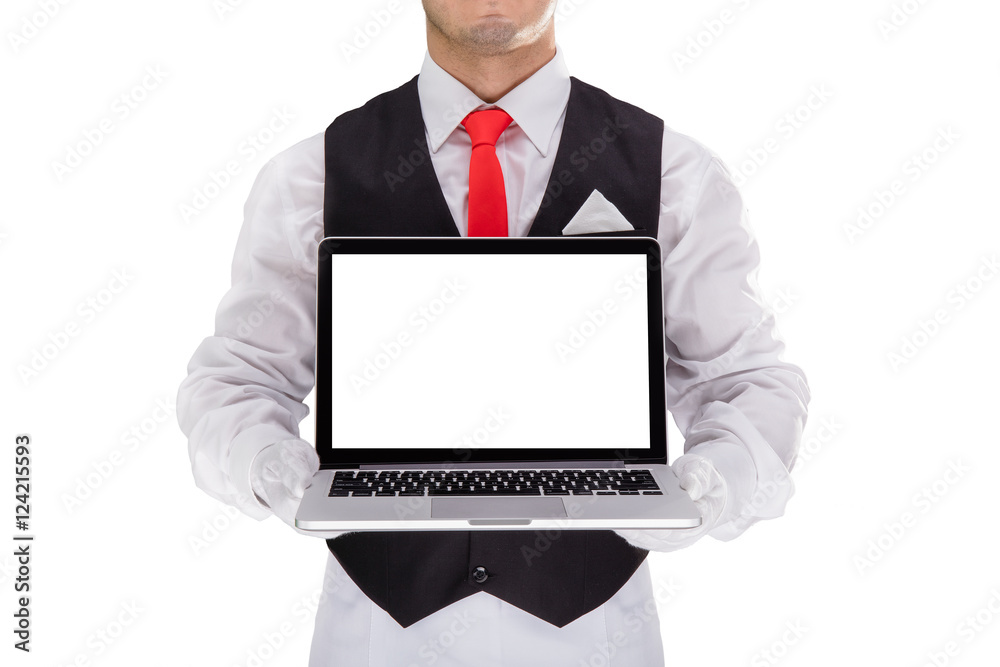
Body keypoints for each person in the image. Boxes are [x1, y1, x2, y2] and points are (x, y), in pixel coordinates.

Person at [177, 1, 811, 665]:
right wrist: (268, 462)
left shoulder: (674, 173)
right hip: (379, 633)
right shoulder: (311, 177)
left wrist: (709, 485)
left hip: (596, 635)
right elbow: (239, 378)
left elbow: (748, 378)